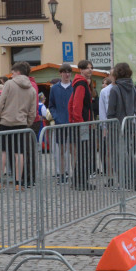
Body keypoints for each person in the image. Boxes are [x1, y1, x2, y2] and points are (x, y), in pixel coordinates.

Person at [0, 62, 37, 190]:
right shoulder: (32, 89)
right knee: (20, 153)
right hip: (21, 123)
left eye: (12, 72)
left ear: (17, 72)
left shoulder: (9, 84)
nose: (11, 75)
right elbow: (33, 111)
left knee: (3, 152)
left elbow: (1, 103)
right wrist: (27, 123)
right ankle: (19, 182)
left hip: (5, 122)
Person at [106, 62, 136, 189]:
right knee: (129, 155)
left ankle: (123, 182)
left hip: (116, 126)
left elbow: (111, 112)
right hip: (129, 125)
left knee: (118, 156)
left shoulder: (115, 89)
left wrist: (108, 126)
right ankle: (133, 181)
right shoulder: (133, 88)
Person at [69, 59, 96, 190]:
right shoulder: (80, 84)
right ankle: (80, 182)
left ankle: (78, 181)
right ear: (81, 70)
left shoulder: (80, 83)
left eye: (91, 68)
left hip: (84, 123)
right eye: (87, 68)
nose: (90, 70)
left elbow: (71, 104)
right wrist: (82, 123)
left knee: (83, 154)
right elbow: (76, 106)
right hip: (83, 125)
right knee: (84, 154)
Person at [48, 63, 75, 183]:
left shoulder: (74, 86)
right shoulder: (54, 88)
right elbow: (51, 105)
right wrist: (56, 116)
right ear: (61, 73)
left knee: (73, 150)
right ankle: (63, 174)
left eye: (69, 72)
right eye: (65, 72)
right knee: (62, 150)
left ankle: (75, 174)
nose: (67, 74)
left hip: (73, 123)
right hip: (60, 123)